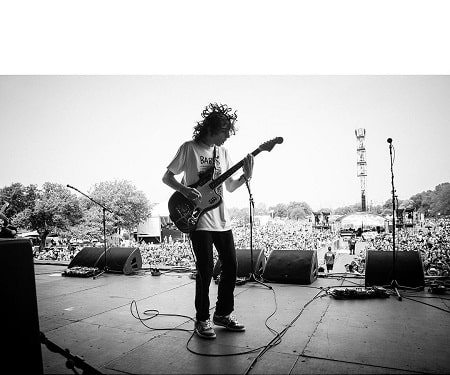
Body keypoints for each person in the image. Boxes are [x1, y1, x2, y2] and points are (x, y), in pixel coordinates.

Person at [162, 103, 254, 339]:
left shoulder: (222, 153)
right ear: (213, 128)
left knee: (231, 266)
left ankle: (222, 314)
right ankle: (201, 319)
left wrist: (246, 176)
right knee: (204, 270)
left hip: (222, 221)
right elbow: (167, 177)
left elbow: (230, 187)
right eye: (225, 132)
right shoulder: (189, 148)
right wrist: (184, 190)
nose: (227, 137)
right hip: (199, 219)